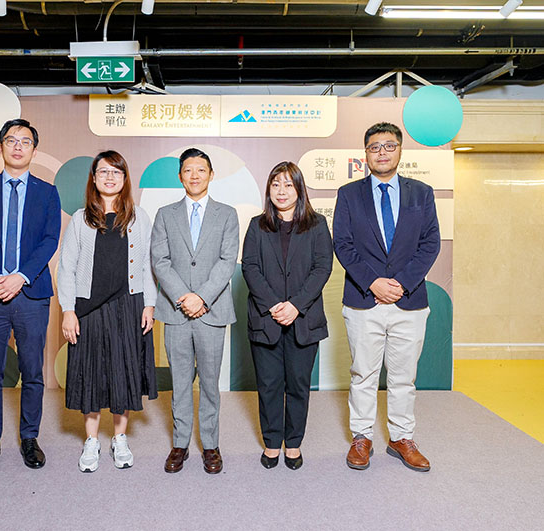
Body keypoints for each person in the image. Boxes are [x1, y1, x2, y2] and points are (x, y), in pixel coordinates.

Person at [333, 122, 440, 472]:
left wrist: (401, 284)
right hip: (364, 301)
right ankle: (361, 437)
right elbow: (343, 245)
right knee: (363, 373)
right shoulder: (349, 194)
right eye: (374, 147)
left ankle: (401, 437)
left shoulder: (421, 193)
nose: (382, 152)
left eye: (389, 145)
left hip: (409, 302)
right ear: (365, 154)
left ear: (400, 150)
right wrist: (374, 283)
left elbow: (430, 244)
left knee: (403, 377)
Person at [0, 118, 61, 474]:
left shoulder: (47, 193)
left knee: (33, 371)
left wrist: (19, 277)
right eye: (11, 140)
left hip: (31, 294)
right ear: (1, 146)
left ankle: (30, 438)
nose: (18, 146)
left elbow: (49, 240)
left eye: (25, 141)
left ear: (34, 149)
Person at [58, 150, 157, 473]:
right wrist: (68, 310)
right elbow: (66, 267)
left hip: (128, 305)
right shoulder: (80, 219)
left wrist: (149, 304)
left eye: (116, 172)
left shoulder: (139, 217)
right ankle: (91, 441)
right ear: (94, 178)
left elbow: (148, 264)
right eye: (103, 172)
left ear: (125, 178)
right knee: (91, 374)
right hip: (89, 307)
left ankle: (119, 438)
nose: (110, 177)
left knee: (122, 372)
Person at [151, 148, 239, 474]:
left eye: (201, 170)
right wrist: (183, 297)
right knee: (180, 381)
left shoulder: (227, 214)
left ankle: (211, 445)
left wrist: (201, 297)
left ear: (211, 175)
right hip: (175, 312)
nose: (195, 175)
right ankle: (180, 443)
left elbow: (227, 261)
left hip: (211, 312)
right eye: (188, 170)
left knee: (210, 383)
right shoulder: (165, 214)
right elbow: (160, 261)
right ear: (180, 176)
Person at [241, 161, 333, 470]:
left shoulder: (317, 224)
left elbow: (323, 267)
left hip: (304, 319)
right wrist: (273, 305)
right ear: (268, 189)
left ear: (299, 189)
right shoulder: (257, 225)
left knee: (298, 385)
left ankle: (293, 444)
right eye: (275, 184)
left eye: (288, 184)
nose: (281, 191)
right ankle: (271, 443)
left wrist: (295, 305)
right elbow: (250, 267)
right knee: (268, 385)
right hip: (265, 319)